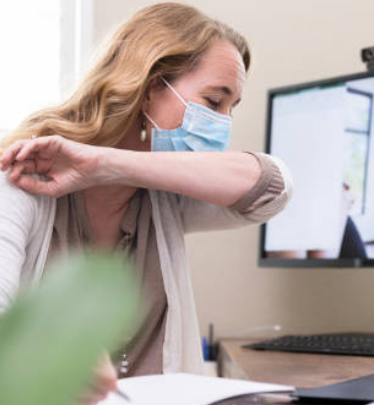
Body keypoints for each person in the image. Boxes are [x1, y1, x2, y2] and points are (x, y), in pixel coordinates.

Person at [0, 3, 292, 404]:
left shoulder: (164, 193)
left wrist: (106, 164)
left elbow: (273, 189)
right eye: (213, 102)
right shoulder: (21, 177)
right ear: (150, 86)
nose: (223, 123)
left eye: (231, 108)